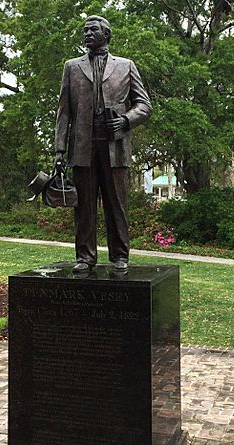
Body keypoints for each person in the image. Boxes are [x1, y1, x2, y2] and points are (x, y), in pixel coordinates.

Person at [55, 15, 151, 272]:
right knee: (83, 205)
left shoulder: (126, 66)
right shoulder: (72, 67)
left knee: (117, 204)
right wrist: (59, 150)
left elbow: (144, 105)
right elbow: (64, 111)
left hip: (114, 144)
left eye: (93, 30)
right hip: (83, 146)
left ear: (106, 34)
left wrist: (126, 121)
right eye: (85, 30)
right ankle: (85, 258)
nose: (87, 34)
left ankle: (120, 256)